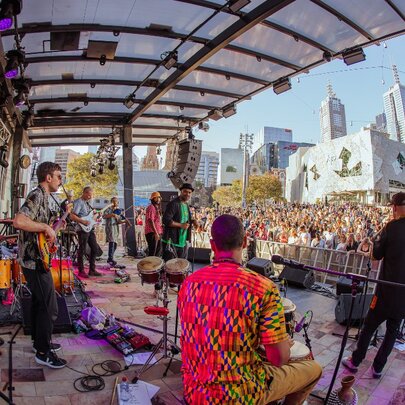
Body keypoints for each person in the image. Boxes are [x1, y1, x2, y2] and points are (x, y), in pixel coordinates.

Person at [178, 214, 322, 404]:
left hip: (195, 392)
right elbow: (278, 359)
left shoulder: (188, 283)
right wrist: (284, 345)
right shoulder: (263, 288)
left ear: (212, 245)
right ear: (245, 242)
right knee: (314, 370)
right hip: (241, 395)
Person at [342, 192, 405, 378]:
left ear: (394, 207)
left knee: (369, 325)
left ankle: (355, 361)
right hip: (403, 295)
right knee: (392, 332)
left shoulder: (392, 227)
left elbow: (376, 255)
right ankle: (378, 368)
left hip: (386, 290)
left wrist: (372, 244)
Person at [13, 162, 67, 368]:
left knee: (38, 302)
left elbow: (49, 229)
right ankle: (43, 353)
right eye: (59, 176)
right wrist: (45, 226)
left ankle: (39, 343)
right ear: (48, 177)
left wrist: (56, 223)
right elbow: (19, 221)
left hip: (37, 259)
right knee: (50, 307)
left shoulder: (47, 198)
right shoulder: (36, 195)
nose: (61, 180)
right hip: (32, 260)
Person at [70, 186, 102, 278]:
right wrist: (83, 222)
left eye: (91, 195)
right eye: (89, 195)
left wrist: (97, 215)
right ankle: (81, 271)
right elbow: (72, 216)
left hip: (89, 228)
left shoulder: (87, 203)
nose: (90, 197)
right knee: (82, 249)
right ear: (85, 193)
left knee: (95, 248)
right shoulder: (78, 202)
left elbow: (90, 216)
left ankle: (92, 270)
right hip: (82, 229)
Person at [161, 183, 195, 261]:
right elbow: (165, 220)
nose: (187, 194)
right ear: (181, 192)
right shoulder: (173, 204)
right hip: (171, 241)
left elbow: (185, 219)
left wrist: (193, 221)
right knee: (170, 267)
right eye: (185, 191)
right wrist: (181, 225)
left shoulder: (186, 205)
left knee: (180, 267)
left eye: (189, 192)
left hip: (182, 242)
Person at [103, 196, 124, 266]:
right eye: (114, 201)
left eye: (117, 201)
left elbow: (119, 220)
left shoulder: (118, 210)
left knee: (115, 244)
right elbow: (104, 216)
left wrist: (124, 221)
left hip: (115, 228)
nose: (116, 203)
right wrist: (112, 214)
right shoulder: (108, 209)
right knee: (112, 243)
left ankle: (110, 257)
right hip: (110, 227)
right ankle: (110, 258)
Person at [145, 191, 163, 257]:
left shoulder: (157, 208)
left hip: (157, 232)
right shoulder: (151, 207)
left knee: (158, 252)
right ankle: (151, 266)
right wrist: (156, 233)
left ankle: (155, 266)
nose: (158, 199)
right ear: (152, 199)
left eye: (159, 198)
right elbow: (150, 220)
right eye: (156, 198)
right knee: (153, 252)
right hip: (152, 233)